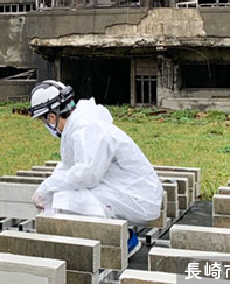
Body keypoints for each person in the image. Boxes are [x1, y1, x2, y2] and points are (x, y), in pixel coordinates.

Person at [30, 80, 164, 258]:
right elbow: (67, 167)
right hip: (127, 190)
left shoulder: (87, 129)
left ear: (52, 117)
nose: (45, 125)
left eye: (43, 120)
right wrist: (46, 189)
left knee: (69, 200)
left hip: (140, 197)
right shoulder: (77, 128)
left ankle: (118, 242)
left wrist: (48, 190)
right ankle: (112, 237)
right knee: (62, 195)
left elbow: (86, 175)